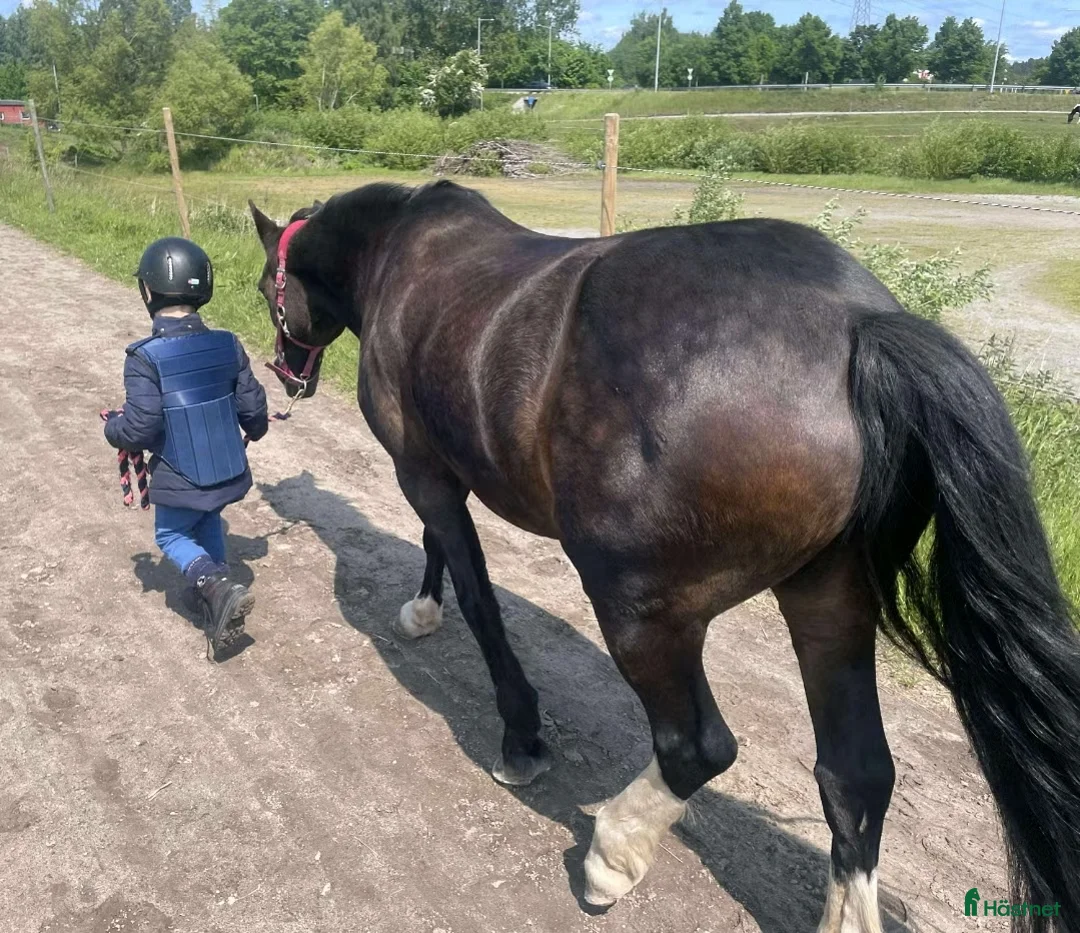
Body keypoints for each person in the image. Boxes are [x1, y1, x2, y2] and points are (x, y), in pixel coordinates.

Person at [103, 237, 269, 657]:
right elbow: (254, 411)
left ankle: (215, 587)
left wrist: (114, 429)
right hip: (227, 469)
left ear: (147, 291)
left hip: (182, 472)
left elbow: (140, 426)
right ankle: (217, 586)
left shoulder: (144, 357)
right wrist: (256, 426)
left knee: (171, 532)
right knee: (207, 513)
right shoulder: (228, 343)